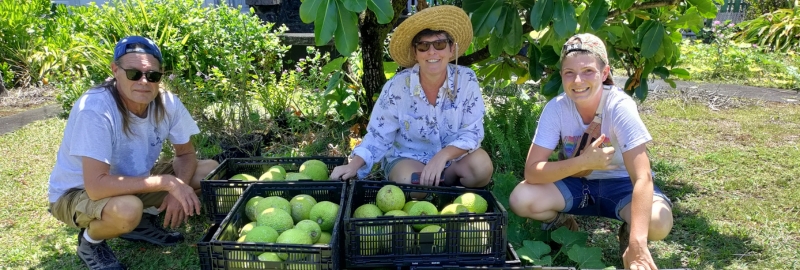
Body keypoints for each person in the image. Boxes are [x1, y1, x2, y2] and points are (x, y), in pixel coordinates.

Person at [47, 36, 219, 270]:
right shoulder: (95, 109)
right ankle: (90, 242)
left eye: (152, 75)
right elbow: (96, 187)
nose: (143, 82)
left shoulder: (167, 103)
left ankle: (139, 226)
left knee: (210, 170)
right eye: (134, 73)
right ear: (115, 70)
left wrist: (178, 185)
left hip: (133, 182)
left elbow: (186, 154)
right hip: (77, 193)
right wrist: (169, 183)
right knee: (128, 210)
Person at [508, 33, 674, 270]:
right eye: (569, 73)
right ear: (561, 76)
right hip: (576, 185)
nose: (578, 81)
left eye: (588, 71)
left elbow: (642, 177)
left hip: (622, 186)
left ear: (604, 73)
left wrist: (639, 243)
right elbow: (532, 172)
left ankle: (630, 235)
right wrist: (583, 162)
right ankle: (563, 224)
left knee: (659, 221)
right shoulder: (556, 109)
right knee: (521, 199)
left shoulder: (619, 106)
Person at [329, 5, 493, 189]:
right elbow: (378, 135)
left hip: (452, 161)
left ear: (451, 49)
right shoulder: (397, 86)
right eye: (423, 46)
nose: (432, 52)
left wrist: (443, 155)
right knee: (411, 183)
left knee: (481, 167)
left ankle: (445, 186)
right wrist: (353, 166)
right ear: (415, 53)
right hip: (409, 159)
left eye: (439, 44)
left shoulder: (466, 79)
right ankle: (434, 192)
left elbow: (472, 132)